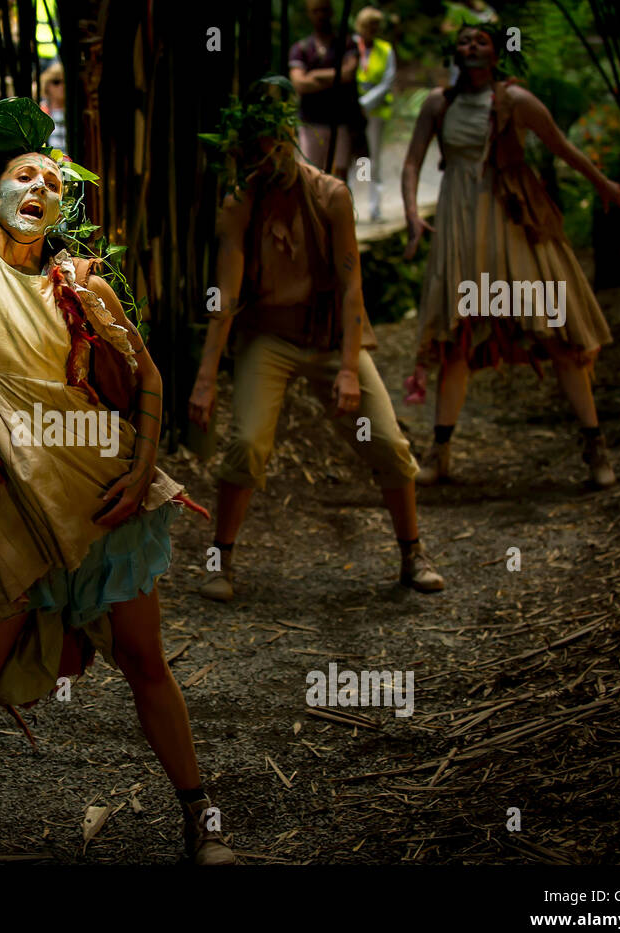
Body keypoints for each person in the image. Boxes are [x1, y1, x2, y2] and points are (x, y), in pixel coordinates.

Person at [0, 99, 235, 865]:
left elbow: (147, 378)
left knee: (145, 661)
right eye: (24, 174)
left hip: (101, 494)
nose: (41, 185)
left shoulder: (84, 282)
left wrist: (141, 473)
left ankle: (200, 818)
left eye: (55, 182)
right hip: (0, 496)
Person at [191, 77, 445, 603]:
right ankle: (222, 560)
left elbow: (352, 284)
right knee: (246, 445)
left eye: (277, 141)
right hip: (271, 338)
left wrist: (350, 368)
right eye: (257, 147)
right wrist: (205, 380)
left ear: (291, 136)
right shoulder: (241, 203)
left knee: (391, 445)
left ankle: (412, 553)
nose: (269, 155)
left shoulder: (330, 194)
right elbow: (226, 295)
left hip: (330, 338)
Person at [401, 22, 620, 487]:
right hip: (461, 227)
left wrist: (601, 184)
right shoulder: (437, 104)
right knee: (457, 341)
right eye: (464, 42)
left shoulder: (516, 101)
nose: (471, 47)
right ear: (456, 53)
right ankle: (440, 453)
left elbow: (560, 146)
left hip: (512, 224)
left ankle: (595, 449)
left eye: (480, 41)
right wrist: (410, 215)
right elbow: (411, 162)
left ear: (497, 54)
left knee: (555, 333)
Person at [289, 0, 363, 180]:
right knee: (311, 176)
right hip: (311, 122)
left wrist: (314, 76)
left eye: (324, 10)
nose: (320, 16)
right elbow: (299, 83)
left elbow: (348, 74)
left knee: (339, 178)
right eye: (315, 11)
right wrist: (335, 78)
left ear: (330, 12)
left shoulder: (347, 44)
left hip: (341, 121)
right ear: (309, 14)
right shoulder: (301, 49)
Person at [353, 6, 395, 222]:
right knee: (353, 160)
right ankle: (352, 206)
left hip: (375, 112)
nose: (372, 29)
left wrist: (366, 103)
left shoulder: (385, 49)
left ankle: (374, 207)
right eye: (368, 25)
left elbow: (388, 81)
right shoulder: (351, 46)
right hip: (350, 112)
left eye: (375, 25)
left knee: (371, 160)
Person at [39, 61, 68, 154]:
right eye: (56, 82)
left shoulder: (77, 114)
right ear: (46, 85)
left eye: (65, 81)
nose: (62, 86)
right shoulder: (40, 112)